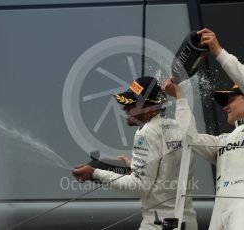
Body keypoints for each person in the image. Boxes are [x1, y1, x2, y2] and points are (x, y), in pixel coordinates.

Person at [164, 28, 244, 230]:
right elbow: (190, 138)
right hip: (220, 208)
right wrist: (180, 97)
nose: (225, 106)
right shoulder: (224, 140)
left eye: (230, 98)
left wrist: (219, 53)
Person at [73, 76, 198, 230]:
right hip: (188, 222)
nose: (124, 108)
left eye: (130, 104)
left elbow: (139, 186)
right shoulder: (177, 126)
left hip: (159, 224)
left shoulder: (145, 133)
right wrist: (132, 164)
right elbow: (165, 172)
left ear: (148, 107)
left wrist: (94, 173)